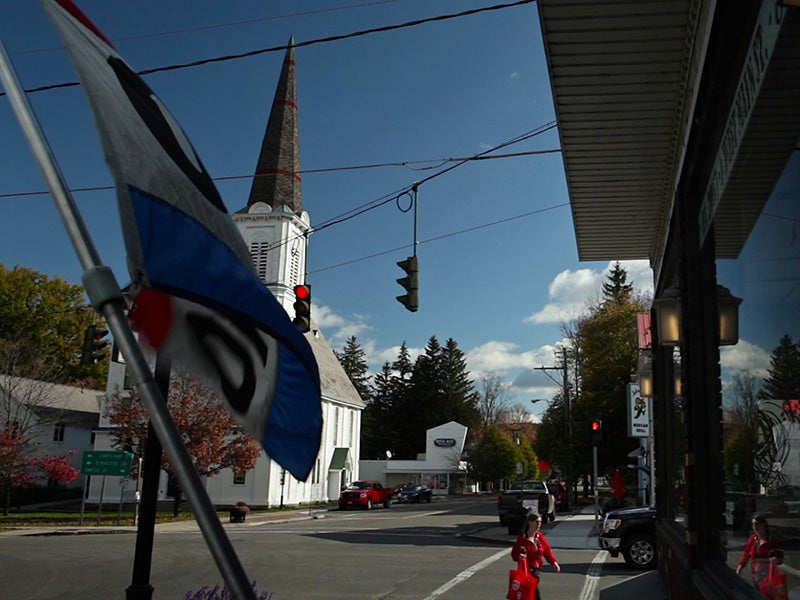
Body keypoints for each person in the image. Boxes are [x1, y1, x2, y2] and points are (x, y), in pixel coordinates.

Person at [511, 512, 560, 600]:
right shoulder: (522, 539)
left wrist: (554, 562)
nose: (539, 524)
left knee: (528, 595)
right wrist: (519, 556)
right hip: (527, 570)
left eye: (540, 522)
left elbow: (547, 550)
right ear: (530, 522)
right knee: (533, 595)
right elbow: (514, 554)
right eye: (536, 522)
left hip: (537, 570)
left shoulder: (539, 536)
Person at [736, 514, 780, 589]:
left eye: (756, 524)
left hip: (768, 575)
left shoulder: (771, 541)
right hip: (756, 574)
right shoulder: (753, 538)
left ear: (763, 525)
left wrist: (775, 559)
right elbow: (746, 554)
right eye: (753, 524)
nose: (754, 527)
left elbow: (779, 558)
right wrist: (740, 566)